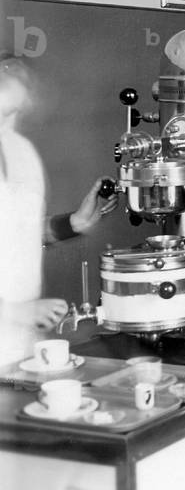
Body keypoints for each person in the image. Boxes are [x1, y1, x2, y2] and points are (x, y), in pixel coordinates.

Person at [0, 53, 117, 365]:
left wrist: (74, 222)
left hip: (20, 349)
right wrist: (13, 311)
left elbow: (17, 230)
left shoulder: (21, 152)